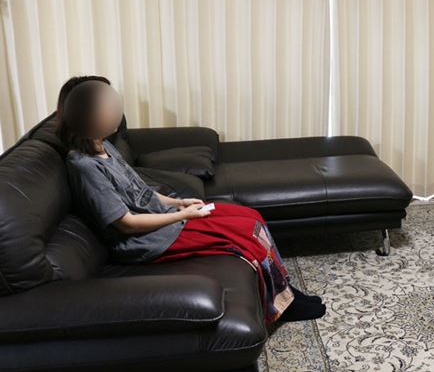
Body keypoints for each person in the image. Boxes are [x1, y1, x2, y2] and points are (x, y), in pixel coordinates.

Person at [57, 77, 325, 324]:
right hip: (148, 239)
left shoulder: (105, 146)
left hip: (166, 219)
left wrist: (178, 203)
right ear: (87, 116)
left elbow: (142, 191)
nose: (117, 111)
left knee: (251, 217)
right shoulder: (84, 167)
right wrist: (183, 215)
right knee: (244, 234)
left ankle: (284, 290)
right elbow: (126, 223)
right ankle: (279, 306)